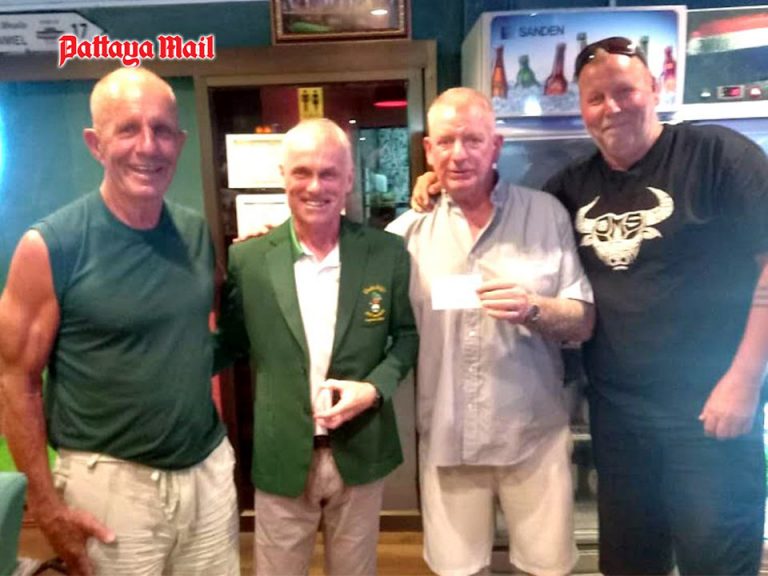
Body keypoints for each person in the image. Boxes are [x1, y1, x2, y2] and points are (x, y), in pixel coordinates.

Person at [542, 37, 768, 575]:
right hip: (618, 415)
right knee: (629, 562)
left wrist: (745, 380)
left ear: (656, 89)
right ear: (582, 108)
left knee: (715, 561)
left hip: (710, 408)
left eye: (625, 91)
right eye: (596, 98)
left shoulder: (717, 155)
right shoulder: (572, 186)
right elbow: (510, 215)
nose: (612, 107)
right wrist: (440, 188)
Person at [0, 68, 239, 576]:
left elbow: (196, 336)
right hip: (111, 486)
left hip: (207, 474)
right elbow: (15, 381)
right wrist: (46, 508)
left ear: (180, 141)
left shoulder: (195, 232)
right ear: (95, 143)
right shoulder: (50, 246)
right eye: (128, 128)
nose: (148, 146)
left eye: (162, 130)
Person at [389, 87, 594, 576]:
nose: (458, 154)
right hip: (448, 439)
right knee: (457, 570)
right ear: (429, 150)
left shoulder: (545, 214)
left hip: (534, 436)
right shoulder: (404, 235)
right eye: (446, 141)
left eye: (473, 140)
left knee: (547, 569)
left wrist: (534, 309)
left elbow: (584, 320)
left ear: (496, 146)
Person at [215, 118, 417, 576]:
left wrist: (374, 389)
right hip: (282, 453)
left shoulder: (386, 253)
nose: (315, 186)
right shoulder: (248, 259)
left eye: (329, 173)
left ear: (349, 179)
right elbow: (232, 343)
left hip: (361, 448)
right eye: (302, 172)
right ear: (282, 175)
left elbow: (407, 338)